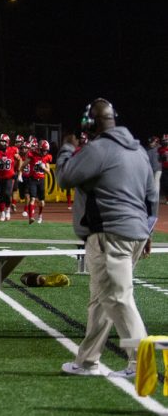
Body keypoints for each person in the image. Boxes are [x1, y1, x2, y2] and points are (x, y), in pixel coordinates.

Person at [58, 99, 159, 378]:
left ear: (90, 123)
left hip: (110, 233)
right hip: (136, 233)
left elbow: (65, 178)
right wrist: (147, 231)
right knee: (101, 299)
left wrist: (67, 148)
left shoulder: (98, 148)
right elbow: (152, 198)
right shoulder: (138, 150)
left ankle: (142, 362)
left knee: (116, 298)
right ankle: (88, 360)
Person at [0, 134, 20, 221]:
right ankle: (2, 213)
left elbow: (20, 159)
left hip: (9, 176)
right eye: (0, 141)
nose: (1, 143)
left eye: (3, 141)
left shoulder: (12, 150)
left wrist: (17, 170)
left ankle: (8, 210)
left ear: (7, 142)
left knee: (8, 195)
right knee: (0, 195)